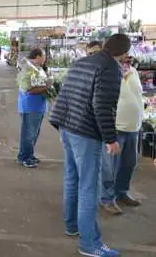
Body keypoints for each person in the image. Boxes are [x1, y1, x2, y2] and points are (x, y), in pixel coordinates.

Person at [49, 34, 131, 257]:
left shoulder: (83, 61)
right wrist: (111, 138)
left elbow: (64, 94)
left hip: (67, 125)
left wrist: (59, 124)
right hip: (84, 132)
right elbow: (102, 106)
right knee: (89, 187)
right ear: (123, 53)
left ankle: (72, 226)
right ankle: (89, 244)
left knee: (72, 178)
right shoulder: (110, 68)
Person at [100, 55, 143, 215]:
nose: (125, 66)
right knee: (110, 167)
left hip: (134, 127)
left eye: (128, 62)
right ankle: (107, 199)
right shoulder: (108, 75)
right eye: (122, 62)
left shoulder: (134, 73)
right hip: (116, 128)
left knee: (129, 163)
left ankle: (122, 192)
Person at [17, 48, 50, 168]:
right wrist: (47, 87)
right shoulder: (28, 69)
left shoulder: (36, 68)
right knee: (29, 134)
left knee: (33, 133)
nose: (45, 58)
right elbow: (29, 90)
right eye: (44, 56)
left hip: (37, 106)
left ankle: (28, 155)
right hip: (30, 106)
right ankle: (25, 157)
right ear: (37, 57)